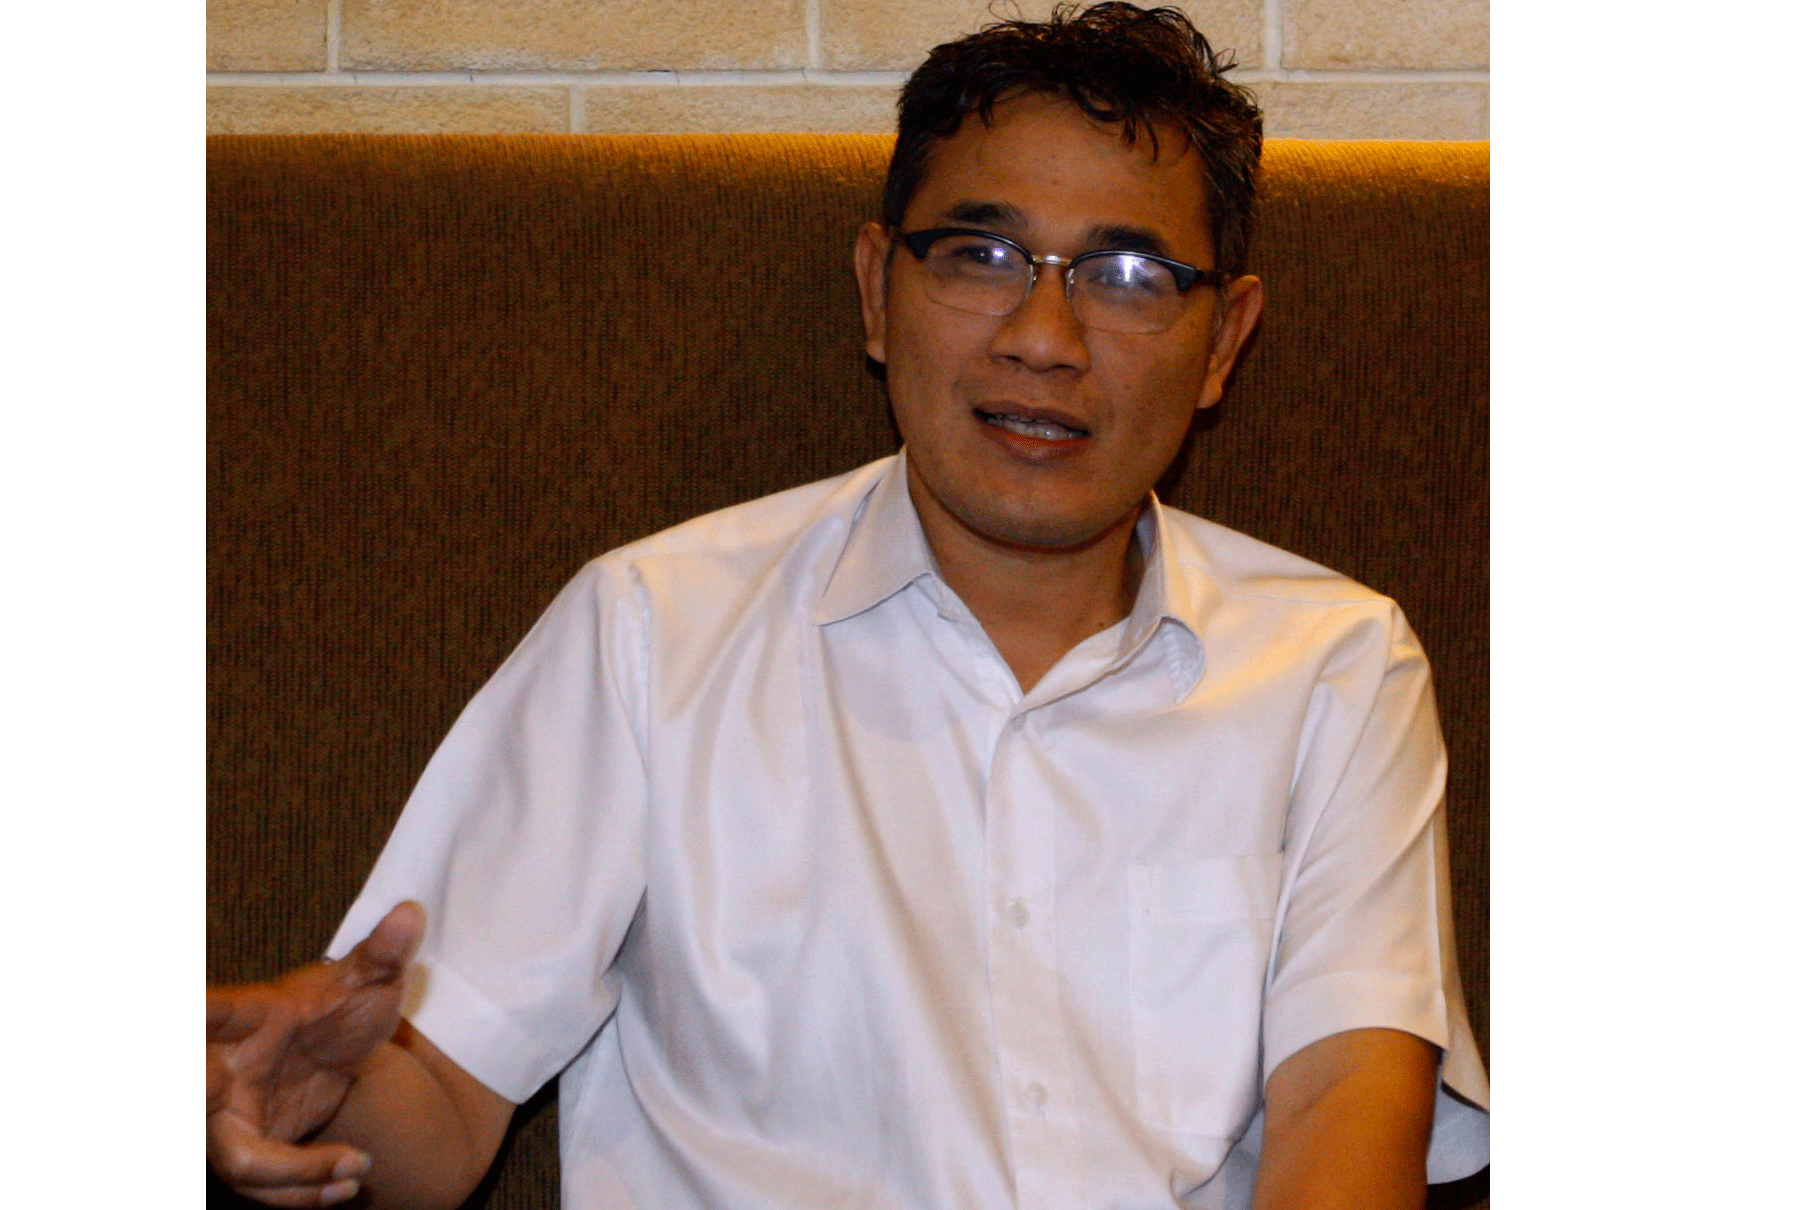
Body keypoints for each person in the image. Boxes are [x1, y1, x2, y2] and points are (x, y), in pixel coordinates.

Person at [206, 4, 1489, 1208]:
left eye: (1128, 273)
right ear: (878, 289)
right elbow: (438, 1098)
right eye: (982, 255)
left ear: (1223, 342)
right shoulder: (652, 631)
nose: (1044, 336)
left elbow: (1347, 1103)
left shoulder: (1335, 662)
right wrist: (318, 1094)